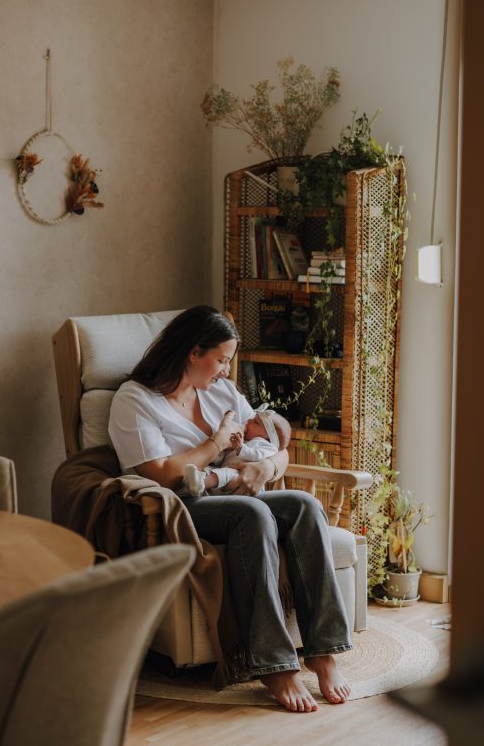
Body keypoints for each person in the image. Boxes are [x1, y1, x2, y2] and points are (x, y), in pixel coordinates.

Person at [108, 305, 352, 713]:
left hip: (230, 490)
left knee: (304, 505)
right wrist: (218, 443)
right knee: (253, 515)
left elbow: (276, 446)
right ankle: (274, 664)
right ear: (192, 351)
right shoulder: (135, 400)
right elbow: (163, 474)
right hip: (181, 502)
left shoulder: (219, 391)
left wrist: (265, 467)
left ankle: (322, 652)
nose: (225, 371)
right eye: (221, 360)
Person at [181, 406, 292, 497]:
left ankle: (200, 483)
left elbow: (256, 455)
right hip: (225, 475)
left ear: (269, 437)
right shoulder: (247, 440)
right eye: (253, 419)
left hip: (242, 480)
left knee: (227, 473)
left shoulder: (266, 445)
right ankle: (194, 481)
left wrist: (240, 448)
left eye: (256, 423)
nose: (249, 421)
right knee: (211, 469)